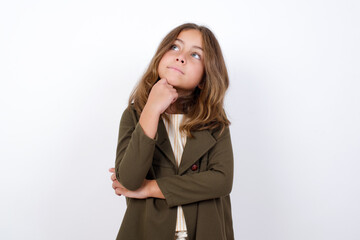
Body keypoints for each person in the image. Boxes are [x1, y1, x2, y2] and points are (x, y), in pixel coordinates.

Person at [109, 23, 234, 240]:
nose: (181, 57)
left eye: (195, 54)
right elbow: (128, 180)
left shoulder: (214, 123)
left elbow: (221, 181)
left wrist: (149, 188)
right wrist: (152, 109)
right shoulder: (134, 116)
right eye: (175, 47)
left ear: (205, 79)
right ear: (160, 57)